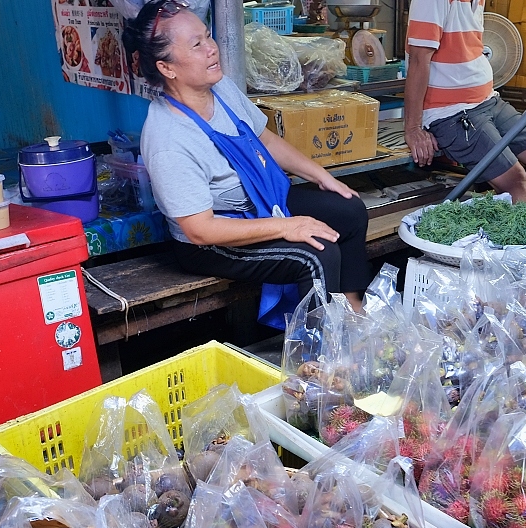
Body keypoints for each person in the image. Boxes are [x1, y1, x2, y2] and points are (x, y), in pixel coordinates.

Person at [122, 0, 371, 319]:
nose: (211, 48)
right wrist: (286, 226)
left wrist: (321, 176)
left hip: (262, 201)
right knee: (318, 253)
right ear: (167, 67)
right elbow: (200, 230)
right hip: (211, 239)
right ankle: (320, 355)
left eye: (208, 36)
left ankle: (352, 315)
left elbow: (265, 139)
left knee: (349, 209)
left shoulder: (221, 88)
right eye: (197, 45)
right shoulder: (168, 138)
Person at [404, 0, 526, 208]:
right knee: (515, 179)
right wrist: (413, 128)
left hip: (487, 100)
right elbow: (418, 60)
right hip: (452, 111)